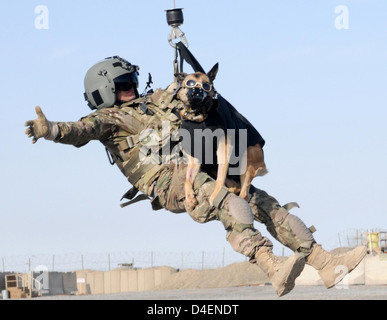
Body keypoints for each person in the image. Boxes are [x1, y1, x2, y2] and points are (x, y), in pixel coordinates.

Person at [25, 56, 366, 296]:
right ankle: (270, 265)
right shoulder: (110, 120)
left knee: (260, 199)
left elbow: (189, 92)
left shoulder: (155, 102)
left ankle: (326, 263)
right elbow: (80, 130)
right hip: (166, 182)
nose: (131, 89)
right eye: (122, 86)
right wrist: (51, 129)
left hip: (197, 162)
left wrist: (200, 86)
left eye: (131, 82)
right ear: (105, 93)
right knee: (225, 199)